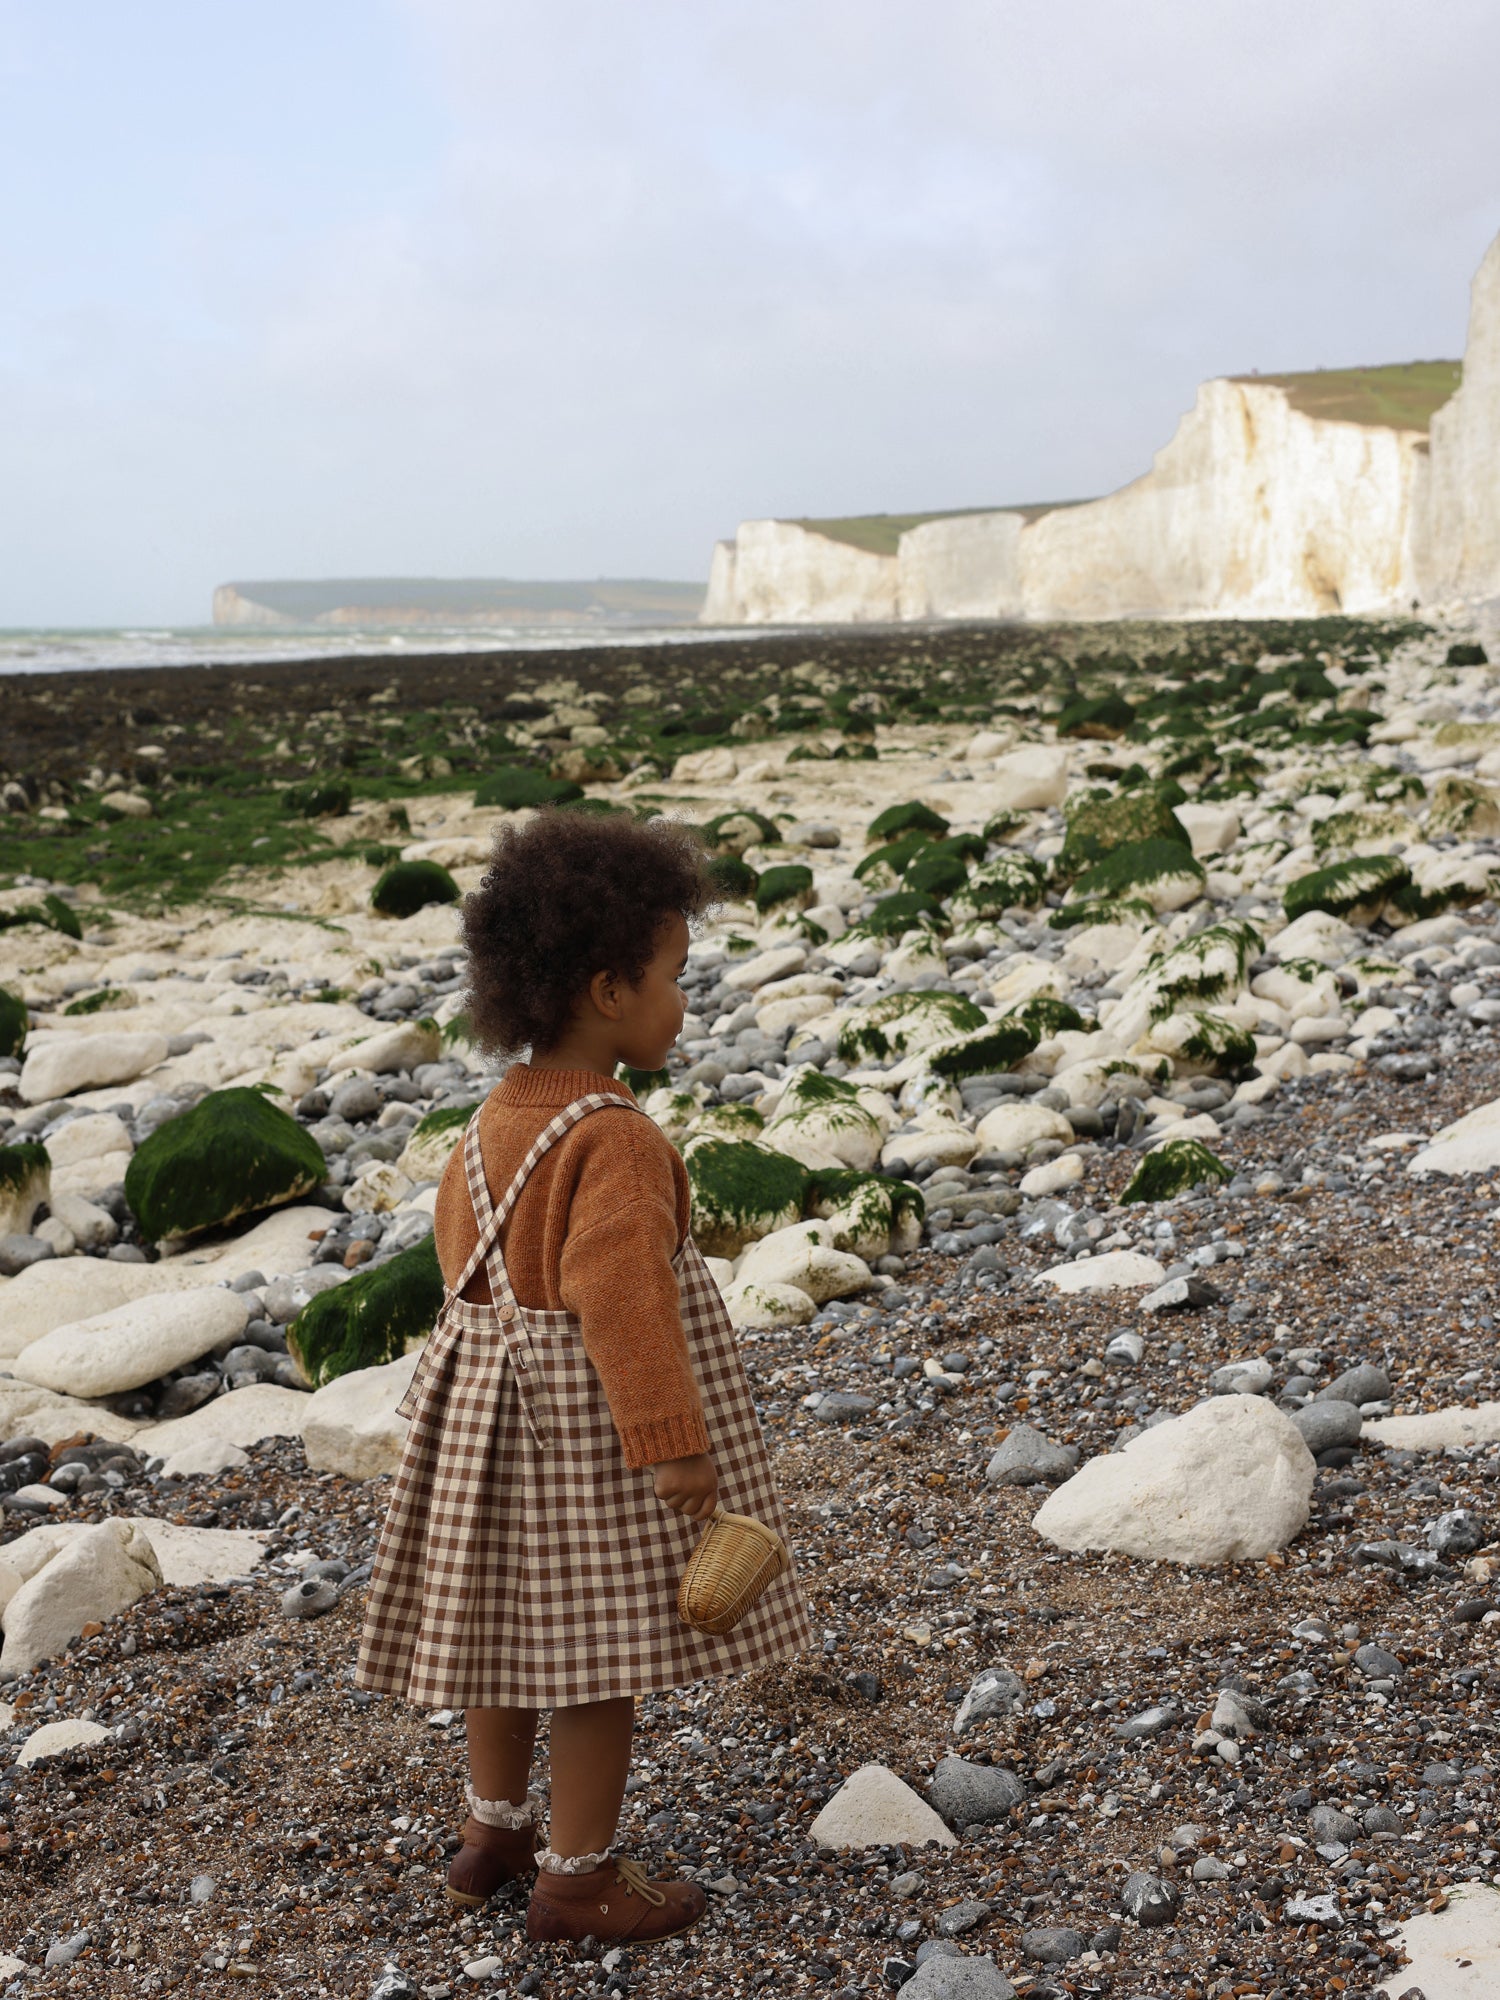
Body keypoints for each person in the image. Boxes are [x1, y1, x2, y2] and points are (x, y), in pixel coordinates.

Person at [354, 806, 812, 1947]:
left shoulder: (485, 1124)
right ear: (608, 989)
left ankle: (492, 1831)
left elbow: (468, 1273)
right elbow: (621, 1302)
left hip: (485, 1431)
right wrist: (674, 1442)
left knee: (502, 1640)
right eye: (674, 974)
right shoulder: (612, 1136)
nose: (683, 999)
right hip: (586, 1435)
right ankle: (577, 1879)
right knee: (598, 1662)